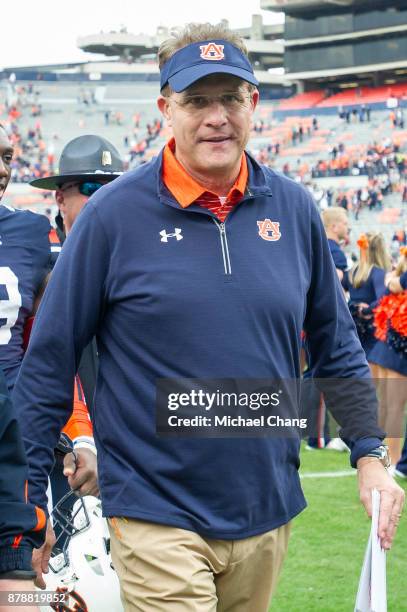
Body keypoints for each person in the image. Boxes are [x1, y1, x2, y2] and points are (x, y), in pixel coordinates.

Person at [13, 23, 404, 611]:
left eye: (230, 97)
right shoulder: (112, 217)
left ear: (253, 103)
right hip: (154, 510)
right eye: (197, 100)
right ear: (166, 109)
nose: (216, 116)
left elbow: (335, 342)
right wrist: (20, 511)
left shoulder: (295, 209)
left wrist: (370, 454)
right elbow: (48, 360)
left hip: (265, 506)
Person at [0, 124, 46, 611]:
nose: (2, 169)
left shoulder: (30, 234)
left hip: (11, 450)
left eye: (8, 155)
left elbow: (57, 349)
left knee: (20, 596)